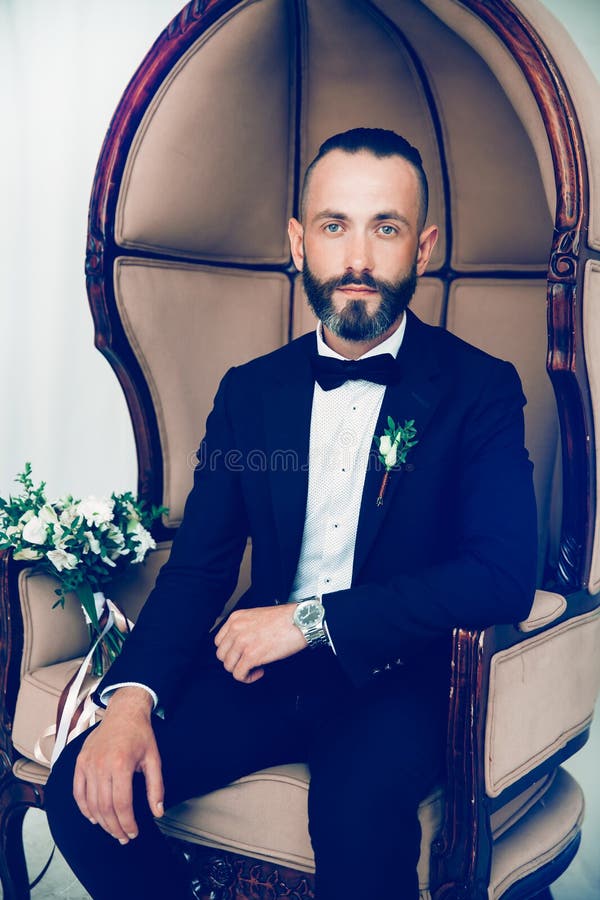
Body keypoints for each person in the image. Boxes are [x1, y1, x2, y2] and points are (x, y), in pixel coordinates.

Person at [45, 128, 537, 900]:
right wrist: (130, 700)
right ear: (298, 241)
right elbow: (201, 567)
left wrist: (310, 619)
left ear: (424, 245)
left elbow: (504, 575)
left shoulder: (480, 388)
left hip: (398, 679)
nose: (359, 260)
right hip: (259, 674)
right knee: (82, 788)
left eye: (387, 228)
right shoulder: (251, 392)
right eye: (335, 226)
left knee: (356, 818)